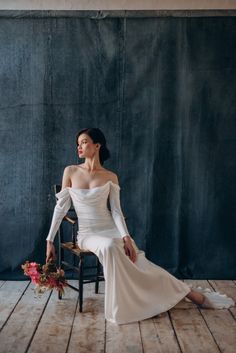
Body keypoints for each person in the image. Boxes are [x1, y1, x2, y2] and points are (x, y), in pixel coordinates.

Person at [45, 127, 235, 325]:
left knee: (141, 264)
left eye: (84, 142)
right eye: (78, 143)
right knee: (110, 247)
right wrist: (49, 240)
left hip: (111, 229)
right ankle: (125, 307)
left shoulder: (110, 176)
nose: (79, 147)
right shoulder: (71, 171)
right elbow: (61, 209)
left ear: (97, 145)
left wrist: (126, 237)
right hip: (88, 234)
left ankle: (188, 293)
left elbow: (117, 212)